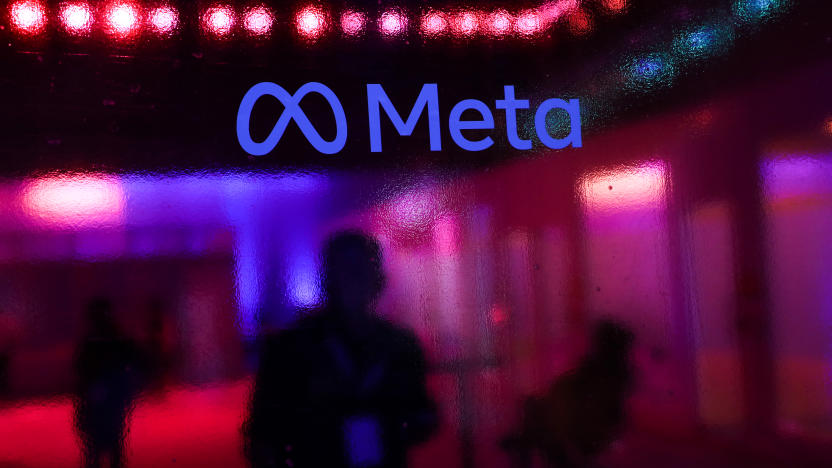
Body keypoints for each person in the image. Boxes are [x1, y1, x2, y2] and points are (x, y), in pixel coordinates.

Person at [246, 231, 438, 468]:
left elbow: (421, 415)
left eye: (360, 270)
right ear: (328, 278)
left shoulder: (401, 346)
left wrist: (397, 422)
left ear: (376, 279)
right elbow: (263, 433)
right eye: (345, 270)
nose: (353, 279)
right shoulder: (290, 349)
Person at [505, 320, 635, 468]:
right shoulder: (612, 373)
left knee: (534, 415)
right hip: (580, 424)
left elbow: (595, 406)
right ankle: (526, 441)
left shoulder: (605, 375)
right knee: (533, 412)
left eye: (598, 342)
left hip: (581, 428)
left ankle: (525, 442)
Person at [74, 298, 142, 468]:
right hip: (109, 395)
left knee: (98, 445)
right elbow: (133, 359)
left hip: (102, 395)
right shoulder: (115, 337)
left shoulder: (93, 339)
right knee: (112, 441)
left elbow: (81, 368)